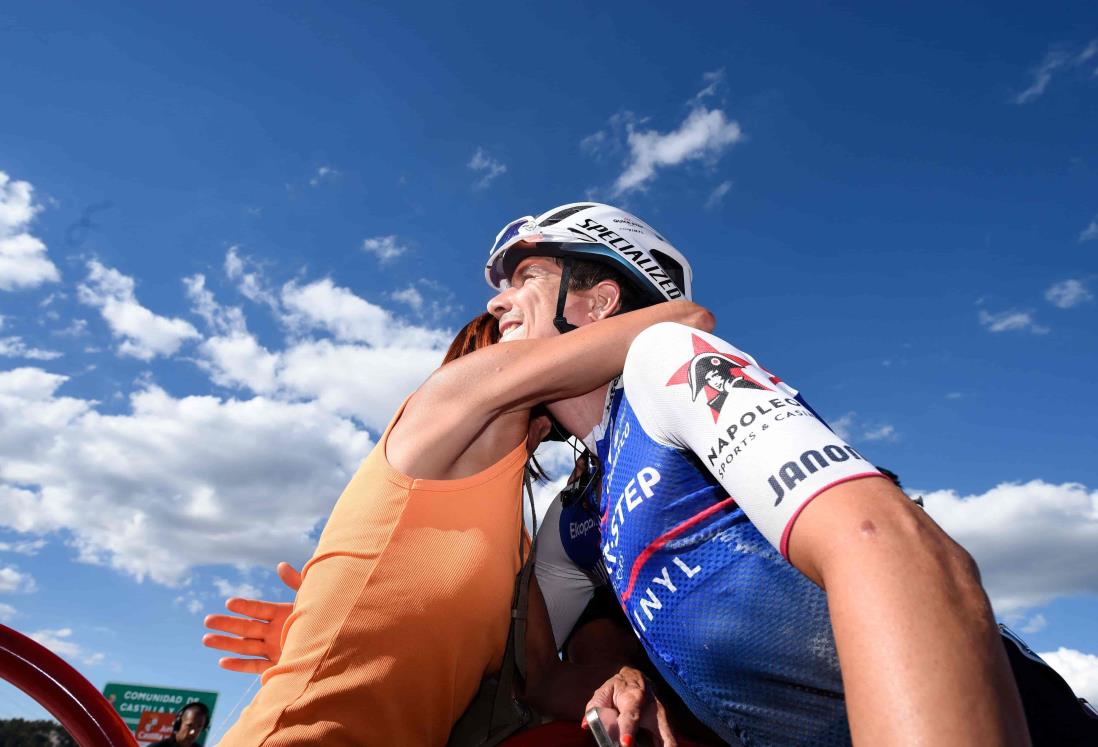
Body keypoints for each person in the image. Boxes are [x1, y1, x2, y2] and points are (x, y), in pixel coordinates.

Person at [480, 202, 1032, 746]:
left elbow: (885, 542)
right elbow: (534, 675)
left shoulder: (662, 355)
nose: (497, 301)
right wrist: (626, 681)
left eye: (528, 275)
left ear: (599, 303)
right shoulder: (578, 507)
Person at [211, 292, 712, 746]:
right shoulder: (450, 395)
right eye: (507, 349)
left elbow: (543, 683)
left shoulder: (514, 545)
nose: (501, 303)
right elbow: (686, 321)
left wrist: (628, 681)